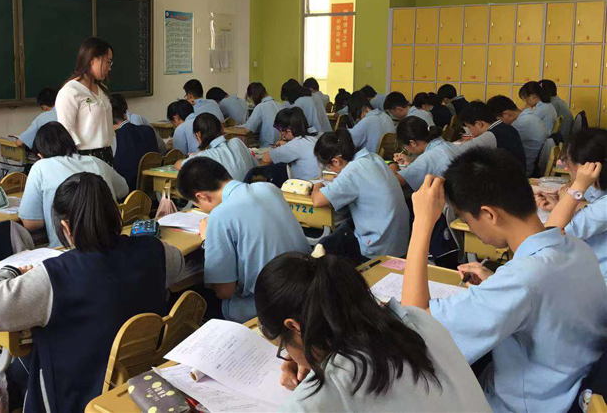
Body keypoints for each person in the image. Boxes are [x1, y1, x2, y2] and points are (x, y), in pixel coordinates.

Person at [0, 172, 186, 413]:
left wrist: (11, 270)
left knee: (16, 360)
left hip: (74, 398)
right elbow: (178, 265)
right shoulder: (157, 251)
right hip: (141, 386)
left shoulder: (54, 277)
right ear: (115, 214)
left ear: (65, 227)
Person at [401, 148, 607, 413]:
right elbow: (543, 294)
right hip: (570, 381)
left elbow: (415, 325)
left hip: (526, 403)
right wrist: (497, 281)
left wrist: (422, 223)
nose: (470, 227)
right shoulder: (577, 247)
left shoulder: (523, 280)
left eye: (466, 220)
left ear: (489, 214)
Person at [256, 253, 491, 412]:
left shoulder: (315, 401)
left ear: (294, 326)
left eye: (284, 347)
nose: (288, 354)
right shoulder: (416, 319)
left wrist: (314, 374)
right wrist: (312, 355)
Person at [177, 158, 310, 323]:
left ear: (202, 196)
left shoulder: (220, 215)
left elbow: (224, 292)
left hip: (269, 307)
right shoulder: (269, 188)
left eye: (197, 205)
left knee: (193, 298)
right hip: (306, 288)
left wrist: (207, 240)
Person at [19, 122, 128, 247]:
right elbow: (124, 190)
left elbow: (31, 223)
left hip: (66, 248)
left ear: (40, 155)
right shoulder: (96, 162)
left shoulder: (40, 167)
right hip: (110, 244)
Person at [313, 130, 409, 259]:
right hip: (399, 241)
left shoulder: (353, 170)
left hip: (379, 246)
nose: (331, 170)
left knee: (329, 244)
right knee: (345, 226)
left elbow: (318, 200)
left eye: (329, 167)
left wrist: (317, 185)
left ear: (336, 161)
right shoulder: (372, 157)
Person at [538, 128, 607, 283]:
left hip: (597, 280)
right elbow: (590, 205)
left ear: (588, 168)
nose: (566, 167)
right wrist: (562, 205)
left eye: (568, 161)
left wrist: (573, 192)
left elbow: (550, 235)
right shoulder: (598, 188)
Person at [55, 37, 115, 164]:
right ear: (93, 60)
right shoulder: (71, 91)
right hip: (84, 157)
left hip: (106, 154)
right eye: (108, 62)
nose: (109, 68)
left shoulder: (102, 89)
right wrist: (79, 160)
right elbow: (66, 130)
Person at [176, 114, 256, 182]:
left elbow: (178, 165)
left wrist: (194, 156)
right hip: (249, 191)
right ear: (222, 129)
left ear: (198, 135)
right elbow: (255, 166)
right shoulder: (237, 142)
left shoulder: (204, 157)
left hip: (226, 195)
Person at [390, 117, 460, 190]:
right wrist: (412, 160)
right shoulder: (447, 144)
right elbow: (433, 160)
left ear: (413, 143)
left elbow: (397, 182)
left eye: (404, 146)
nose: (405, 149)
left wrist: (392, 164)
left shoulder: (426, 159)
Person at [487, 95, 547, 177]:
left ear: (506, 114)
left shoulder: (519, 124)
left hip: (525, 172)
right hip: (533, 166)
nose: (497, 124)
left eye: (497, 120)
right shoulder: (530, 116)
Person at [111, 94, 160, 191]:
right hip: (151, 188)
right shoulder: (148, 130)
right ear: (125, 115)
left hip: (126, 191)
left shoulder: (114, 138)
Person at [458, 101, 526, 170]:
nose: (470, 132)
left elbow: (459, 151)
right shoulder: (507, 127)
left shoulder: (491, 135)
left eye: (469, 127)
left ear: (479, 124)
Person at [262, 107, 320, 180]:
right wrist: (286, 145)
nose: (282, 135)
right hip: (320, 181)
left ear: (289, 131)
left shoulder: (296, 144)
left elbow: (266, 158)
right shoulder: (313, 137)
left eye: (281, 132)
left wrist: (285, 146)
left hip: (306, 184)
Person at [243, 82, 281, 148]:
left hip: (267, 147)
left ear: (252, 96)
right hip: (281, 146)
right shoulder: (280, 105)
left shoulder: (260, 107)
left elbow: (247, 130)